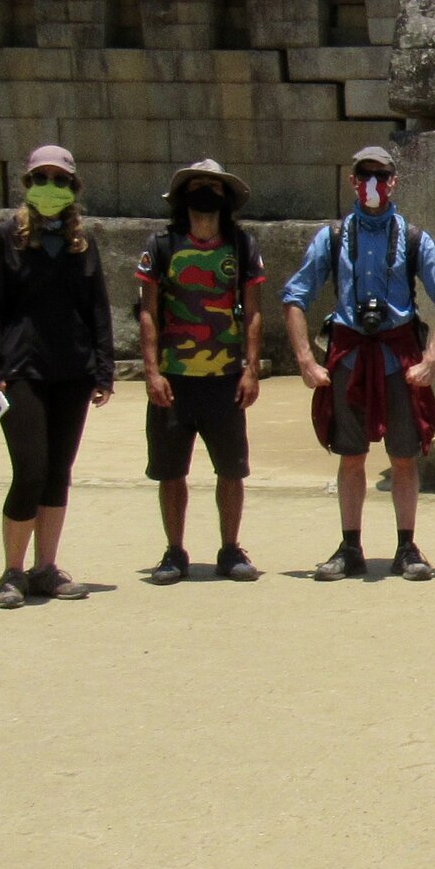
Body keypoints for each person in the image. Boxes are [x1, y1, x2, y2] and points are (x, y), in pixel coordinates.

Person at [280, 145, 435, 582]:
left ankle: (406, 546)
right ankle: (350, 546)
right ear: (352, 182)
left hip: (399, 357)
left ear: (394, 182)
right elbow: (295, 296)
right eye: (364, 175)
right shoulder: (334, 237)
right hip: (349, 356)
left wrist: (432, 359)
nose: (373, 185)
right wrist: (306, 359)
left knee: (404, 455)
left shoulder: (415, 238)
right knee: (350, 455)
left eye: (381, 176)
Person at [0, 145, 116, 609]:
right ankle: (12, 572)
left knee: (59, 472)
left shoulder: (82, 241)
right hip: (21, 371)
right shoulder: (5, 237)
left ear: (73, 188)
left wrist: (104, 368)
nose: (49, 187)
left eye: (59, 179)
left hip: (72, 370)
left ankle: (45, 568)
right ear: (27, 184)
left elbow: (96, 306)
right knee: (29, 470)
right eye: (41, 178)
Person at [136, 158, 265, 585]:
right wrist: (152, 372)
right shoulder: (162, 246)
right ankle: (174, 551)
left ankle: (230, 549)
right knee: (171, 471)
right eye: (199, 185)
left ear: (225, 198)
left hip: (225, 379)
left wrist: (250, 369)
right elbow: (149, 313)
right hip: (174, 380)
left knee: (231, 469)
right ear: (184, 197)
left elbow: (254, 312)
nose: (207, 193)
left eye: (214, 186)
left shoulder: (241, 247)